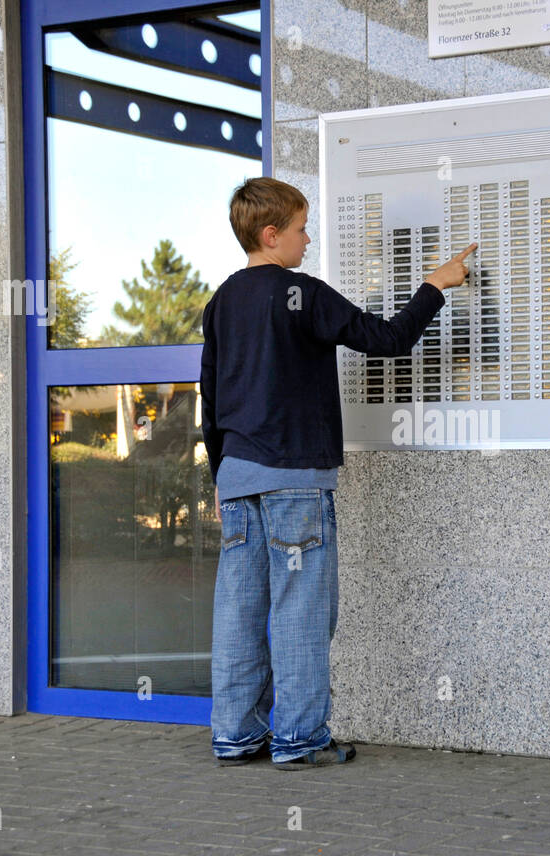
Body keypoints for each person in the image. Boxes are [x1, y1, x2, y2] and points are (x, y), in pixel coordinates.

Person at [200, 176, 476, 769]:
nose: (308, 238)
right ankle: (298, 738)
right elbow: (388, 339)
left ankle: (236, 734)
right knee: (301, 610)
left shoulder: (222, 300)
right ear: (272, 235)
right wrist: (435, 284)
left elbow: (210, 396)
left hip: (239, 480)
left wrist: (221, 476)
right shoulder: (302, 293)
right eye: (301, 229)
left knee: (239, 612)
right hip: (296, 479)